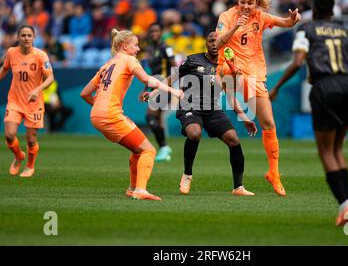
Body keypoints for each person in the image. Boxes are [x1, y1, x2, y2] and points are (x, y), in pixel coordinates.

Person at [269, 0, 348, 226]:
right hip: (347, 86)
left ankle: (346, 205)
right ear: (333, 11)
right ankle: (347, 203)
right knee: (338, 150)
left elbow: (297, 62)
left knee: (326, 152)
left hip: (324, 87)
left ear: (313, 11)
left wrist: (277, 87)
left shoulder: (307, 30)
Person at [142, 31, 258, 196]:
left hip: (212, 109)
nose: (214, 44)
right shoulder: (192, 59)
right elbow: (171, 77)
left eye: (217, 41)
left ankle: (238, 187)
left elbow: (231, 96)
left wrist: (245, 118)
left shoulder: (226, 66)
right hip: (190, 106)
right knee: (194, 133)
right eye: (211, 40)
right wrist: (153, 93)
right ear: (206, 43)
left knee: (234, 139)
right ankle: (187, 174)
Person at [215, 0, 301, 196]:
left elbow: (285, 23)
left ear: (256, 4)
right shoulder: (226, 16)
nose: (245, 5)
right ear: (238, 1)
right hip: (229, 69)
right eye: (242, 1)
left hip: (254, 75)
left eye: (249, 2)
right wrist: (235, 27)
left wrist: (293, 19)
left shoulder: (260, 17)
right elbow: (217, 43)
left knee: (269, 124)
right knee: (227, 72)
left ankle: (274, 173)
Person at [80, 29, 183, 201]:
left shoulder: (106, 65)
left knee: (137, 150)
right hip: (110, 114)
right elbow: (148, 80)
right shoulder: (129, 59)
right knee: (149, 150)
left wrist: (98, 106)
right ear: (124, 45)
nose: (137, 49)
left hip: (96, 115)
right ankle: (141, 190)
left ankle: (132, 188)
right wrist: (173, 90)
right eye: (135, 45)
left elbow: (84, 93)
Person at [0, 25, 55, 177]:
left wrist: (37, 90)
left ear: (33, 37)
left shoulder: (41, 55)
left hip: (34, 103)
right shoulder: (11, 52)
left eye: (29, 35)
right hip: (15, 101)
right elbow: (5, 68)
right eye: (23, 35)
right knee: (10, 135)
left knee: (31, 139)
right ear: (18, 37)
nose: (26, 38)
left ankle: (30, 166)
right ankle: (18, 156)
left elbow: (50, 78)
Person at [141, 23, 177, 162]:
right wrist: (145, 89)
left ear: (161, 32)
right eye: (152, 31)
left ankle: (164, 147)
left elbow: (175, 68)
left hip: (163, 85)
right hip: (154, 85)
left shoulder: (166, 48)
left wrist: (169, 86)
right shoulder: (150, 49)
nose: (154, 33)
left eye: (157, 30)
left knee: (150, 116)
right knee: (158, 119)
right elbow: (150, 73)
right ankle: (165, 151)